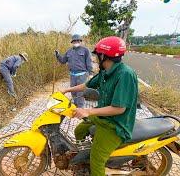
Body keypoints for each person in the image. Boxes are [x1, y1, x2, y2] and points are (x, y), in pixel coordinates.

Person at [60, 36, 138, 176]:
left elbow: (119, 108)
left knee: (96, 160)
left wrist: (88, 111)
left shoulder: (125, 74)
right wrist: (67, 90)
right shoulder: (105, 71)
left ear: (104, 56)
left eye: (97, 55)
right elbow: (87, 85)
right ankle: (82, 159)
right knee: (79, 130)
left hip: (116, 125)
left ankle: (93, 161)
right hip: (102, 117)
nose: (95, 58)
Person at [55, 34, 93, 108]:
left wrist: (91, 73)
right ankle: (75, 106)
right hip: (72, 75)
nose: (76, 42)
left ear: (80, 41)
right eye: (74, 41)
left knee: (81, 92)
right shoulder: (69, 51)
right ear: (72, 42)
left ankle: (80, 108)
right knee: (73, 91)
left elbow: (89, 62)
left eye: (78, 40)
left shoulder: (85, 50)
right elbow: (63, 61)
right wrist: (58, 55)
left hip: (82, 75)